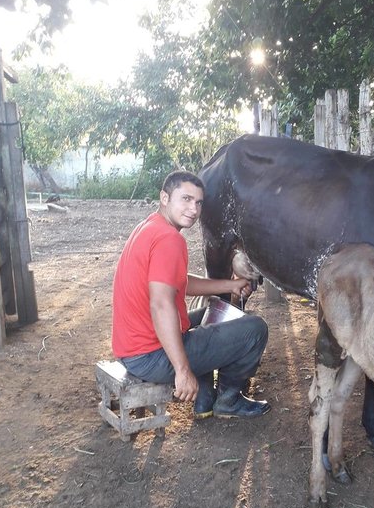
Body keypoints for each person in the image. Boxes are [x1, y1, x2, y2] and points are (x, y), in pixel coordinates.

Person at [111, 170, 270, 420]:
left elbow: (178, 284)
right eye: (185, 199)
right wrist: (182, 371)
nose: (193, 209)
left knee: (212, 312)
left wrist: (230, 286)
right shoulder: (169, 239)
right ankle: (229, 399)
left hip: (132, 347)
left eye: (198, 202)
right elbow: (161, 305)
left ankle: (205, 399)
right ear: (165, 197)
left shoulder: (150, 226)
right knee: (255, 329)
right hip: (150, 356)